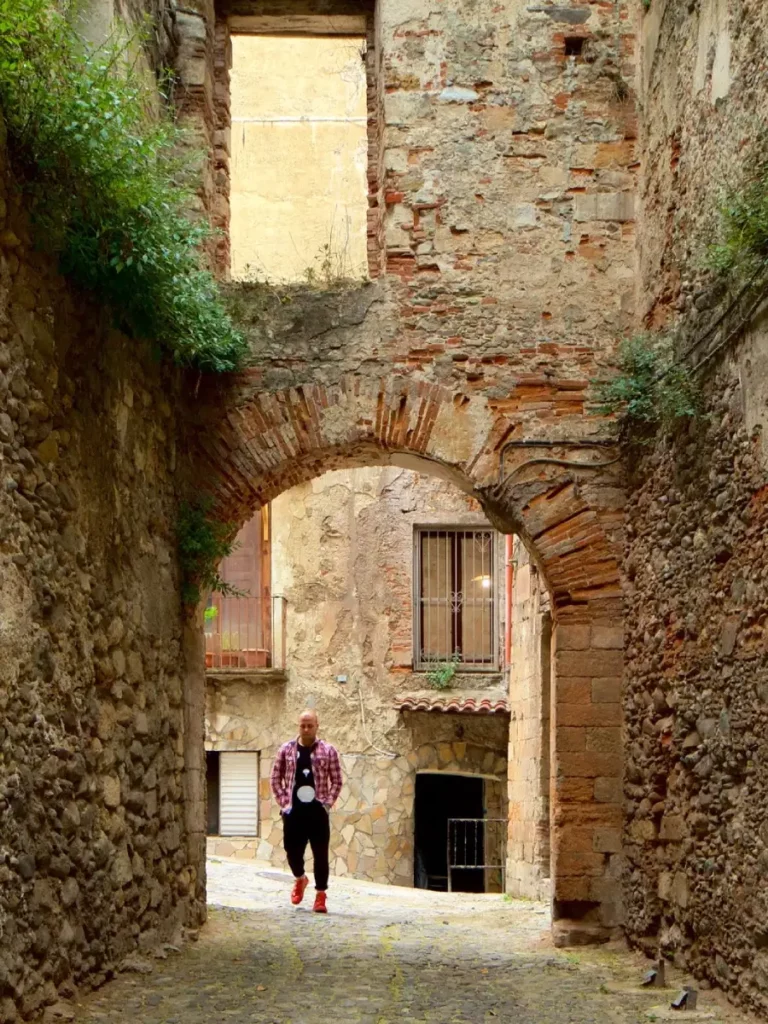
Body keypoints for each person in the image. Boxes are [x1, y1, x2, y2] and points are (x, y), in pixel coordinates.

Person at [270, 709, 342, 913]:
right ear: (298, 726)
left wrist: (326, 804)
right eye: (303, 725)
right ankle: (300, 878)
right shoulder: (286, 750)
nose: (306, 729)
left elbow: (336, 780)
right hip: (294, 812)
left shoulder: (328, 751)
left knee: (320, 854)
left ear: (317, 726)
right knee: (292, 851)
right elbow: (275, 778)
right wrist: (285, 804)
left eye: (310, 725)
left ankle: (320, 896)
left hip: (317, 812)